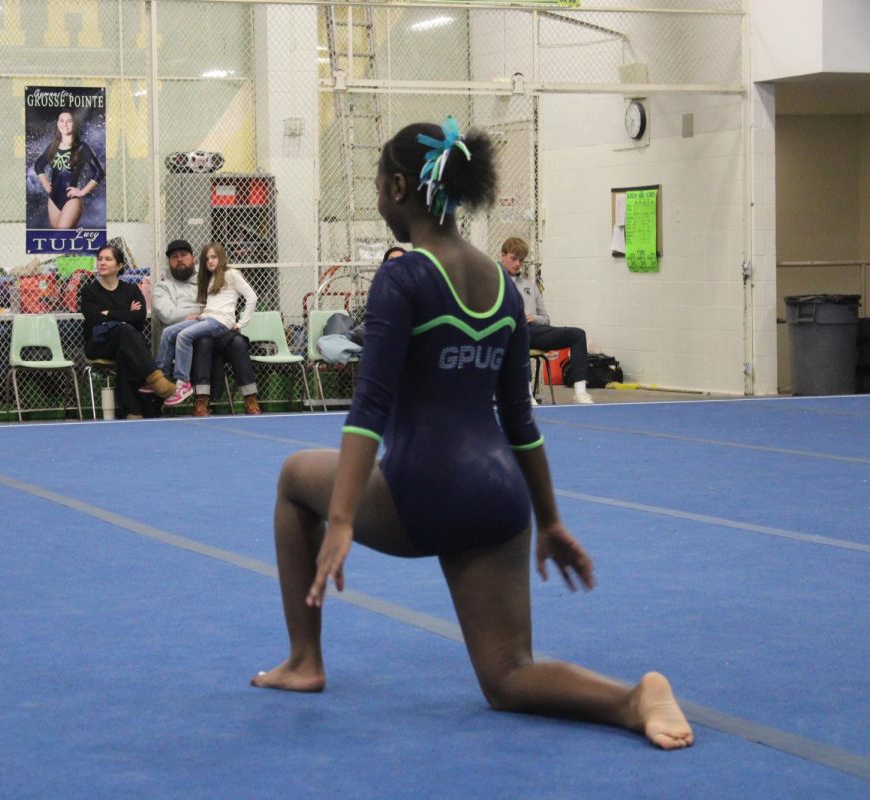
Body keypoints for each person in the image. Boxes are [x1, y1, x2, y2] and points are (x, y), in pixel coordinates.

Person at [251, 117, 693, 751]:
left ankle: (304, 660)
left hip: (420, 495)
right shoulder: (502, 286)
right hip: (500, 500)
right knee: (510, 676)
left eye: (379, 186)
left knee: (296, 477)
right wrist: (551, 520)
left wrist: (342, 517)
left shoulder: (402, 277)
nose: (379, 200)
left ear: (399, 186)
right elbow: (520, 420)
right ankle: (633, 699)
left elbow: (370, 408)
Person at [152, 239, 262, 417]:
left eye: (184, 255)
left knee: (238, 344)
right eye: (174, 257)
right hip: (205, 325)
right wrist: (199, 313)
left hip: (221, 326)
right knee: (195, 340)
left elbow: (247, 297)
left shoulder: (223, 275)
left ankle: (250, 398)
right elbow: (171, 314)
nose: (180, 260)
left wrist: (241, 322)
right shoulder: (194, 280)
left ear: (193, 258)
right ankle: (197, 397)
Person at [80, 243, 178, 418]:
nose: (102, 262)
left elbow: (139, 318)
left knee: (125, 349)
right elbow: (95, 320)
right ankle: (156, 379)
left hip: (125, 344)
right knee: (126, 331)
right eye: (100, 259)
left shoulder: (131, 290)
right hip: (99, 344)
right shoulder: (89, 290)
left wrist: (109, 313)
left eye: (108, 259)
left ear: (119, 266)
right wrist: (125, 314)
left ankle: (132, 412)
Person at [500, 237, 595, 404]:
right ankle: (526, 394)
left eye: (521, 260)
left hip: (535, 330)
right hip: (510, 332)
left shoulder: (529, 285)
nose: (517, 264)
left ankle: (580, 392)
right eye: (513, 258)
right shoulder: (493, 282)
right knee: (520, 335)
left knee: (577, 334)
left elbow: (545, 318)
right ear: (503, 255)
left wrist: (534, 318)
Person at [34, 110, 105, 230]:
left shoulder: (82, 147)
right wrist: (46, 184)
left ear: (74, 124)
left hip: (71, 200)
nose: (65, 124)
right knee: (58, 241)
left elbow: (99, 172)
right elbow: (38, 165)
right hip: (53, 200)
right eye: (62, 121)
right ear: (57, 124)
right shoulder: (53, 146)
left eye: (69, 121)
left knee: (63, 234)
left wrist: (82, 192)